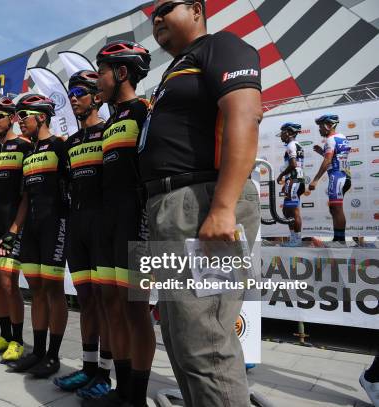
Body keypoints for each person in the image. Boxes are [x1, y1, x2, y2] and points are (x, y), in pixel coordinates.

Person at [139, 1, 262, 406]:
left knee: (205, 341)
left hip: (204, 202)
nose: (156, 17)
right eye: (152, 13)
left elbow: (245, 115)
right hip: (170, 209)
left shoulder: (221, 46)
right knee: (179, 338)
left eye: (165, 8)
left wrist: (224, 207)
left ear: (195, 9)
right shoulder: (175, 69)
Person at [87, 40, 154, 407]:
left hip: (136, 219)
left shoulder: (145, 111)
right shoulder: (112, 121)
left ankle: (138, 398)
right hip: (108, 220)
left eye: (102, 71)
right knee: (112, 304)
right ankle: (122, 389)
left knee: (136, 308)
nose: (98, 79)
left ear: (122, 73)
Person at [53, 70, 112, 399]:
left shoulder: (108, 132)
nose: (73, 97)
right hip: (78, 227)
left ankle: (105, 373)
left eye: (80, 92)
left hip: (104, 227)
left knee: (106, 304)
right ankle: (89, 369)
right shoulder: (71, 143)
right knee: (86, 301)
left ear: (97, 97)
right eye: (71, 93)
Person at [8, 94, 69, 378]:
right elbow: (24, 198)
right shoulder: (29, 153)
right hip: (30, 228)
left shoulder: (60, 145)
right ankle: (38, 352)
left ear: (41, 117)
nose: (18, 122)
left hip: (54, 224)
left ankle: (54, 356)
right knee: (35, 291)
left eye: (23, 116)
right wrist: (14, 230)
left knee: (54, 291)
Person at [0, 96, 31, 361]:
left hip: (14, 223)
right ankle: (4, 335)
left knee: (10, 283)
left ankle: (19, 341)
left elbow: (27, 195)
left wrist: (14, 229)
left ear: (12, 117)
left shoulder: (25, 145)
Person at [308, 114, 351, 243]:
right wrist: (322, 151)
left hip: (337, 176)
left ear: (328, 126)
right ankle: (337, 238)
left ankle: (340, 240)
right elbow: (335, 158)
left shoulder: (330, 140)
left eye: (321, 127)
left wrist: (315, 180)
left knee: (337, 209)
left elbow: (327, 161)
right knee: (334, 208)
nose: (320, 129)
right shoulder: (342, 137)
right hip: (344, 175)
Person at [276, 122, 305, 247]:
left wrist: (281, 175)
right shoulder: (296, 145)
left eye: (282, 133)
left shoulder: (291, 145)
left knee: (293, 212)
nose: (281, 136)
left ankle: (296, 240)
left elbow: (293, 165)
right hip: (294, 180)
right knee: (286, 211)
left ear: (288, 132)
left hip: (294, 180)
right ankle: (293, 238)